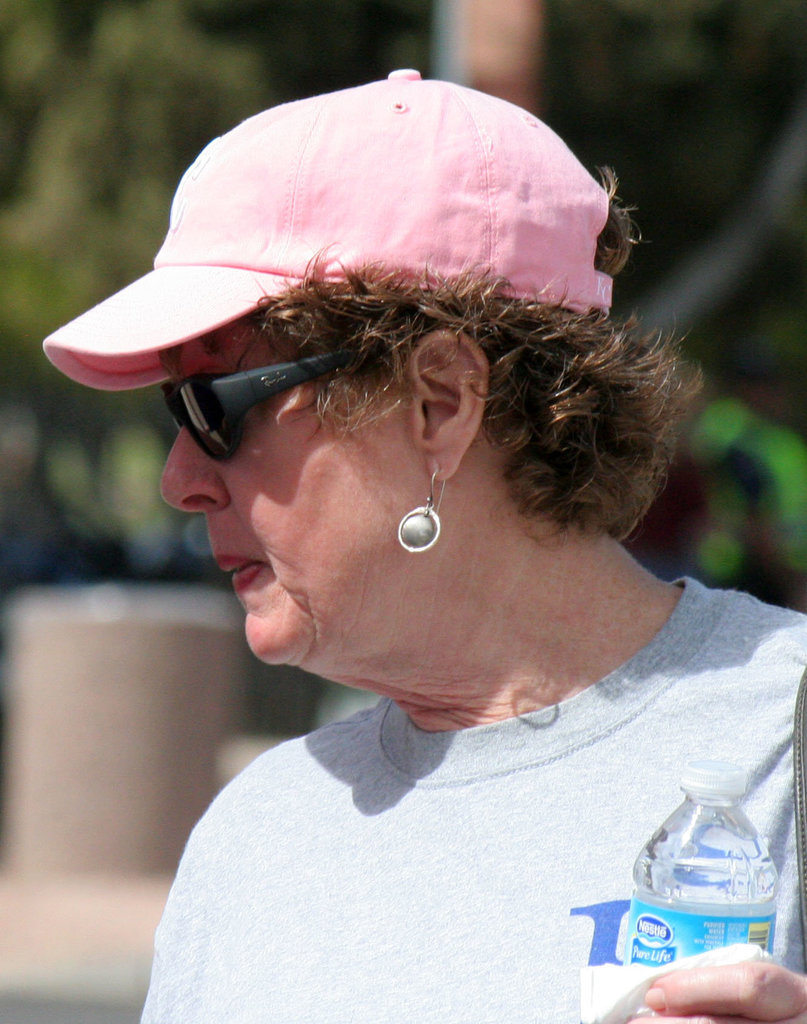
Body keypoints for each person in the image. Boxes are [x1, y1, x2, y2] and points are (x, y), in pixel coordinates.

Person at [43, 70, 807, 1023]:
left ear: (440, 402)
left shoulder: (782, 739)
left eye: (212, 407)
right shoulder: (259, 834)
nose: (178, 479)